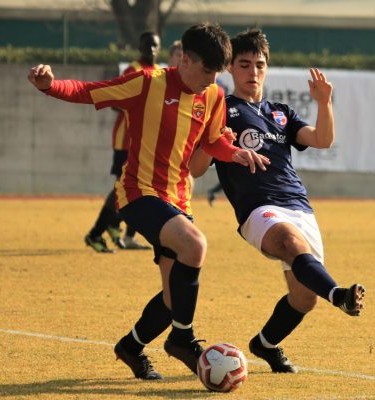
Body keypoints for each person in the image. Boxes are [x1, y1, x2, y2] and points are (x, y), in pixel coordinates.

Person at [28, 23, 270, 380]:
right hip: (139, 193)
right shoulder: (148, 82)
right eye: (206, 70)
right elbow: (89, 91)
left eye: (217, 73)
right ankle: (183, 340)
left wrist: (234, 153)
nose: (211, 79)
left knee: (174, 298)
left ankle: (131, 347)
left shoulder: (214, 96)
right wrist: (50, 86)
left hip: (178, 198)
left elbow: (214, 140)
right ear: (185, 60)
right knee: (195, 245)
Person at [190, 29, 365, 373]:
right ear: (230, 69)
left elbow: (322, 140)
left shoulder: (280, 112)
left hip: (299, 205)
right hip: (258, 208)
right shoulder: (220, 108)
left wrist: (323, 103)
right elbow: (196, 169)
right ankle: (340, 296)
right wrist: (216, 144)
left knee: (304, 298)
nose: (253, 72)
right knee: (287, 242)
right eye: (244, 64)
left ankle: (265, 344)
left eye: (259, 65)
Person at [84, 31, 161, 253]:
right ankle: (96, 233)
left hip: (144, 141)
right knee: (122, 187)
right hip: (125, 140)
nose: (152, 50)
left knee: (133, 187)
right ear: (140, 48)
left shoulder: (157, 72)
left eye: (155, 46)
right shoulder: (133, 71)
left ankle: (115, 227)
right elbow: (114, 99)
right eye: (147, 46)